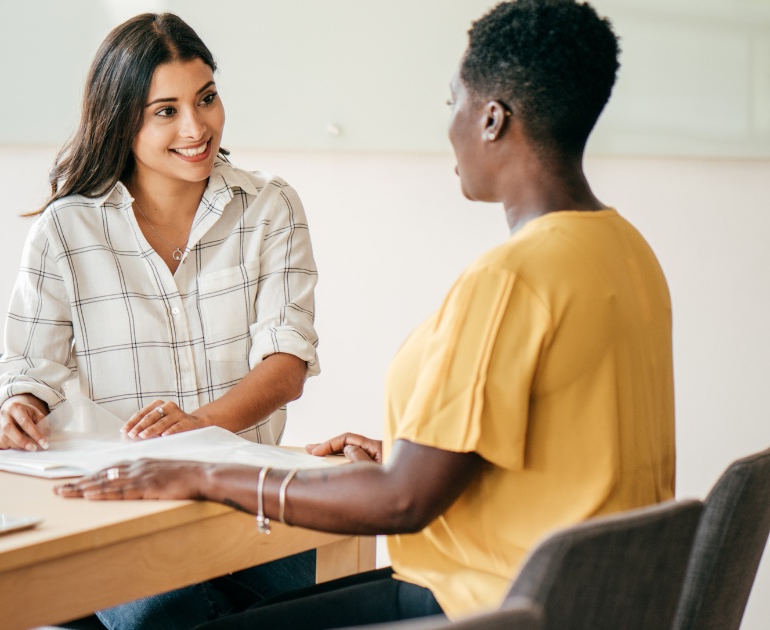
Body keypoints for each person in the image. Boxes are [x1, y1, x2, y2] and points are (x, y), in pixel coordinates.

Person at [56, 1, 676, 628]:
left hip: (483, 605)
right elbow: (563, 452)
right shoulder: (625, 251)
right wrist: (406, 456)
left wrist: (205, 475)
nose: (450, 125)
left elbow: (402, 504)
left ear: (491, 119)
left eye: (452, 102)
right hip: (587, 600)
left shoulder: (510, 280)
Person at [0, 13, 321, 630]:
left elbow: (286, 366)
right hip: (121, 511)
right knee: (167, 616)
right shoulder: (65, 230)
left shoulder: (270, 207)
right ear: (121, 120)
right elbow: (28, 368)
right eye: (165, 111)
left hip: (248, 506)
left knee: (301, 607)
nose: (197, 128)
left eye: (207, 99)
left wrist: (197, 429)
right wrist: (20, 404)